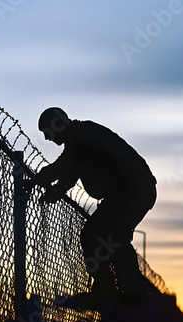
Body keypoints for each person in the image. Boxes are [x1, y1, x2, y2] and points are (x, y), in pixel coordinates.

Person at [30, 107, 157, 306]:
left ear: (57, 125)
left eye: (47, 132)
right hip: (132, 191)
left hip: (131, 192)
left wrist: (39, 182)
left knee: (96, 235)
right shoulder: (80, 136)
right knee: (111, 236)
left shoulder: (81, 137)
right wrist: (48, 186)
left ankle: (112, 291)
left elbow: (66, 171)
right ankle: (126, 292)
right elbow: (67, 169)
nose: (47, 139)